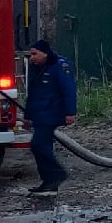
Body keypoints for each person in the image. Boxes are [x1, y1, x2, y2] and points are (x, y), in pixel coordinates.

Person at [24, 39, 77, 196]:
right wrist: (28, 117)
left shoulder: (59, 66)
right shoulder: (35, 68)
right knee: (41, 146)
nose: (31, 57)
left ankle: (56, 175)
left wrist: (70, 112)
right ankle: (49, 182)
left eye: (34, 54)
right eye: (30, 54)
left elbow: (68, 89)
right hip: (40, 114)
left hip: (51, 113)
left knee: (38, 145)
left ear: (45, 53)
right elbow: (32, 95)